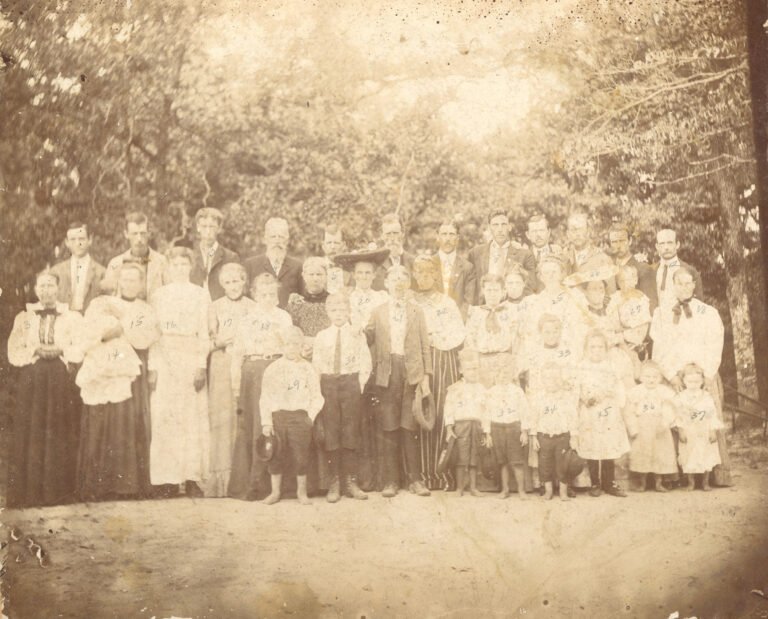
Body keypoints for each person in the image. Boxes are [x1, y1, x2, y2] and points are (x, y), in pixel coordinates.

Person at [76, 269, 160, 501]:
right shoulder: (100, 304)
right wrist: (105, 334)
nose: (129, 283)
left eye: (134, 279)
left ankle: (127, 485)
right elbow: (89, 332)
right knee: (101, 422)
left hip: (132, 369)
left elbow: (145, 337)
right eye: (125, 279)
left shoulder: (144, 309)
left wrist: (122, 327)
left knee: (127, 423)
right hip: (102, 368)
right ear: (118, 282)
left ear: (141, 284)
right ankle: (97, 485)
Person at [7, 270, 85, 507]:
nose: (46, 291)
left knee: (58, 428)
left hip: (60, 378)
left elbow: (80, 345)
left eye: (51, 286)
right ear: (35, 289)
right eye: (42, 286)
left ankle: (58, 491)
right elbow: (14, 350)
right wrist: (35, 351)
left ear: (58, 289)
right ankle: (31, 491)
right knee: (33, 428)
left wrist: (61, 350)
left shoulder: (71, 317)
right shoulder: (24, 317)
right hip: (33, 378)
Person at [649, 266, 730, 486]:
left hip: (701, 377)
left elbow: (715, 346)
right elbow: (660, 349)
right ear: (673, 286)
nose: (684, 287)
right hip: (674, 376)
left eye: (688, 283)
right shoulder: (662, 313)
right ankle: (677, 475)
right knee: (676, 420)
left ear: (694, 285)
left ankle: (712, 473)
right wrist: (672, 375)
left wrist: (705, 376)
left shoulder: (708, 312)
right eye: (679, 283)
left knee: (704, 419)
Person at [147, 247, 210, 496]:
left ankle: (192, 478)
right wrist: (153, 367)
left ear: (191, 267)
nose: (180, 269)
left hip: (190, 353)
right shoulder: (158, 296)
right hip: (164, 356)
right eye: (175, 264)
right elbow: (153, 333)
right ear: (168, 267)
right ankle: (168, 480)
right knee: (165, 417)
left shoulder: (200, 294)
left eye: (184, 264)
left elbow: (204, 332)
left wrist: (200, 365)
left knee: (192, 418)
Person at [365, 265, 432, 497]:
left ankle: (415, 480)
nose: (399, 283)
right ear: (386, 284)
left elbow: (425, 345)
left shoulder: (417, 311)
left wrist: (426, 376)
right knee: (389, 426)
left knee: (409, 425)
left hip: (411, 371)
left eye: (403, 278)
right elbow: (368, 337)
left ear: (408, 284)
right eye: (394, 279)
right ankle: (390, 481)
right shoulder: (378, 311)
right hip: (387, 373)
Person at [228, 273, 293, 500]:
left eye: (271, 294)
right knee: (255, 424)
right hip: (253, 372)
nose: (267, 298)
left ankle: (279, 485)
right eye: (262, 294)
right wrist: (236, 385)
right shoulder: (247, 320)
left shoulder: (284, 317)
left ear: (277, 296)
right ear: (254, 295)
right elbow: (237, 353)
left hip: (277, 368)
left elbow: (291, 347)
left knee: (276, 422)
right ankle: (255, 484)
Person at [332, 247, 391, 491]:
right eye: (360, 273)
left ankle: (380, 477)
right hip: (355, 359)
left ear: (375, 275)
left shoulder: (382, 298)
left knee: (378, 418)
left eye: (369, 273)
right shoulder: (347, 298)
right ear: (354, 275)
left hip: (378, 357)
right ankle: (358, 477)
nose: (364, 277)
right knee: (356, 419)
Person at [411, 255, 466, 490]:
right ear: (414, 274)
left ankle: (442, 474)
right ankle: (421, 475)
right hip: (417, 362)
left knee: (442, 412)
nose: (424, 276)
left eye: (429, 272)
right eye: (420, 272)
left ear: (435, 275)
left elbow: (458, 333)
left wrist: (434, 339)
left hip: (442, 359)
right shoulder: (410, 301)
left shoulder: (446, 303)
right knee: (421, 412)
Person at [312, 293, 372, 502]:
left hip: (350, 383)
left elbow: (365, 361)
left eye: (342, 310)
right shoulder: (322, 336)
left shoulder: (357, 335)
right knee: (332, 432)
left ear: (349, 312)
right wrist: (319, 388)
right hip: (328, 385)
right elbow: (316, 364)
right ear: (328, 313)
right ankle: (334, 482)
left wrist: (358, 385)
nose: (338, 314)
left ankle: (351, 481)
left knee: (350, 431)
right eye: (334, 310)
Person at [205, 262, 256, 497]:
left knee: (244, 417)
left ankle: (244, 479)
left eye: (237, 281)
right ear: (222, 285)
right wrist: (222, 342)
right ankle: (221, 481)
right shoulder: (214, 307)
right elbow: (209, 341)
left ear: (244, 282)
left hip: (245, 364)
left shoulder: (253, 307)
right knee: (222, 418)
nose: (233, 286)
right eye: (228, 282)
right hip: (222, 364)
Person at [260, 326, 325, 505]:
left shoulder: (308, 369)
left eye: (295, 344)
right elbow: (265, 398)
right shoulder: (272, 369)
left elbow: (317, 397)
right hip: (278, 417)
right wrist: (266, 422)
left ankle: (301, 493)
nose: (291, 348)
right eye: (288, 344)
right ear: (282, 347)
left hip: (300, 418)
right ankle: (275, 492)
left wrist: (310, 417)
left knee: (301, 455)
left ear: (301, 346)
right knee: (276, 454)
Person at [576, 329, 629, 498]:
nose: (596, 351)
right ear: (586, 350)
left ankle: (609, 482)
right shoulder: (581, 367)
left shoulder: (611, 367)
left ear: (606, 350)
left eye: (600, 347)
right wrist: (584, 399)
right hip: (590, 412)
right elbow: (576, 389)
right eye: (592, 347)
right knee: (593, 445)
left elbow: (618, 387)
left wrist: (614, 400)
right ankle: (595, 482)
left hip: (607, 412)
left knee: (607, 445)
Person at [443, 349, 491, 497]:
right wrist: (449, 427)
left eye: (475, 368)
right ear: (461, 370)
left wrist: (487, 431)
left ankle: (473, 487)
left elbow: (486, 412)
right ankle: (460, 488)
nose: (473, 372)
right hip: (461, 426)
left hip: (476, 426)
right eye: (469, 369)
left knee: (474, 458)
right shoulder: (455, 388)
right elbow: (448, 408)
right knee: (461, 458)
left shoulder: (482, 389)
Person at [624, 361, 677, 492]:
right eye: (647, 377)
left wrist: (664, 423)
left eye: (655, 377)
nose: (651, 380)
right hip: (642, 427)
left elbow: (669, 409)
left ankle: (658, 482)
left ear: (660, 378)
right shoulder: (636, 392)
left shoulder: (664, 392)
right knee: (643, 454)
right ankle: (643, 483)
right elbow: (629, 412)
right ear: (641, 377)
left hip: (659, 428)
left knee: (659, 454)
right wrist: (633, 428)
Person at [529, 362, 579, 501]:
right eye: (548, 379)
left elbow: (572, 417)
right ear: (543, 380)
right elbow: (534, 417)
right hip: (544, 436)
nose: (552, 382)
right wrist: (534, 437)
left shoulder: (566, 398)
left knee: (562, 464)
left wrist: (573, 436)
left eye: (555, 379)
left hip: (562, 436)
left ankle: (563, 492)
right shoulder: (539, 398)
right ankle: (548, 491)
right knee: (545, 465)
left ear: (560, 380)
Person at [673, 363, 723, 492]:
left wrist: (712, 430)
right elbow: (679, 415)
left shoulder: (706, 397)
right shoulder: (680, 397)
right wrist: (681, 430)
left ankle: (705, 482)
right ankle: (691, 483)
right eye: (690, 381)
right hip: (689, 432)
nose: (693, 384)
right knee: (689, 457)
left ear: (702, 381)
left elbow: (712, 414)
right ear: (684, 381)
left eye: (697, 381)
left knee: (705, 455)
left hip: (703, 431)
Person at [468, 209, 536, 300]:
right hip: (484, 307)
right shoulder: (475, 253)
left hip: (512, 307)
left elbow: (529, 288)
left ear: (509, 227)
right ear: (489, 227)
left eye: (503, 224)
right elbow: (471, 288)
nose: (500, 229)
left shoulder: (524, 255)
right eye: (495, 225)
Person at [487, 363, 531, 500]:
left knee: (517, 461)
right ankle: (505, 490)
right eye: (500, 373)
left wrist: (524, 431)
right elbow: (486, 413)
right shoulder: (491, 392)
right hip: (497, 428)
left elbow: (524, 411)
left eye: (506, 373)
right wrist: (487, 433)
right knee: (502, 462)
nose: (503, 376)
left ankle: (521, 491)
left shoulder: (517, 391)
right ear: (495, 375)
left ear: (511, 375)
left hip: (513, 428)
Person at [104, 211, 168, 299]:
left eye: (143, 233)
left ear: (149, 233)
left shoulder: (162, 262)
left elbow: (170, 294)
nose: (139, 239)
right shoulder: (115, 264)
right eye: (134, 234)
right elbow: (109, 299)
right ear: (126, 234)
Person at [465, 273, 518, 379]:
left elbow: (515, 339)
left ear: (503, 292)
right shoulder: (475, 312)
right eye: (489, 290)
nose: (492, 294)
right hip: (482, 362)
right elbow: (470, 339)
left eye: (496, 290)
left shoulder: (511, 312)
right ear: (483, 291)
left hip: (504, 363)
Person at [243, 217, 303, 309]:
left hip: (288, 320)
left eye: (281, 237)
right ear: (265, 239)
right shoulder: (250, 265)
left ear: (287, 241)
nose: (277, 241)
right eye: (273, 236)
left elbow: (302, 297)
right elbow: (245, 298)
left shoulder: (297, 266)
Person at [49, 222, 106, 313]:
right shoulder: (56, 272)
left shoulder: (101, 272)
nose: (77, 243)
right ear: (67, 242)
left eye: (81, 239)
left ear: (90, 240)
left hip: (90, 322)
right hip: (63, 321)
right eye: (72, 239)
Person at [189, 207, 240, 301]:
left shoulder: (230, 258)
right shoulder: (190, 257)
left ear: (219, 229)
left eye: (212, 227)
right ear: (198, 227)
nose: (208, 232)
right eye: (204, 226)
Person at [605, 264, 653, 362]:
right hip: (619, 342)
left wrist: (625, 327)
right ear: (618, 283)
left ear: (635, 280)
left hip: (637, 340)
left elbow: (642, 320)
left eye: (629, 280)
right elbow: (612, 321)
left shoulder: (641, 298)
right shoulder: (615, 298)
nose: (625, 284)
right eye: (622, 281)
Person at [286, 257, 331, 353]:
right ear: (304, 276)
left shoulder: (333, 302)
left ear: (326, 276)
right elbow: (290, 333)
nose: (315, 278)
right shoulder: (296, 303)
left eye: (319, 274)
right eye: (311, 274)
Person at [564, 212, 615, 294]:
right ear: (568, 234)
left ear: (588, 231)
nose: (577, 234)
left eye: (580, 229)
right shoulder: (563, 259)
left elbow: (611, 295)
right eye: (573, 230)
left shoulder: (603, 259)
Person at [607, 223, 656, 308]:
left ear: (630, 241)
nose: (618, 246)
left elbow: (651, 305)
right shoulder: (608, 269)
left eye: (622, 241)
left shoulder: (643, 269)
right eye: (614, 242)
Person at [432, 220, 476, 316]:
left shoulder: (468, 268)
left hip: (458, 324)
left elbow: (468, 303)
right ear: (437, 237)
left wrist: (456, 325)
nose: (448, 238)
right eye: (444, 234)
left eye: (452, 234)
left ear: (457, 238)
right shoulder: (428, 264)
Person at [653, 228, 704, 311]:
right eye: (662, 243)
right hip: (657, 322)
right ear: (657, 247)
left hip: (682, 320)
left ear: (677, 245)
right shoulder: (651, 271)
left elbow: (699, 305)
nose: (666, 247)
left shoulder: (690, 271)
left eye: (670, 243)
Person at [372, 213, 415, 290]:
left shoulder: (414, 262)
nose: (392, 238)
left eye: (395, 233)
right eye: (388, 234)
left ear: (402, 234)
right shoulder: (374, 262)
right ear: (382, 236)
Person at [320, 224, 351, 294]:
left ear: (343, 245)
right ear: (323, 246)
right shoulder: (316, 267)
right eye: (329, 243)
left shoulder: (351, 269)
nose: (332, 247)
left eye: (336, 243)